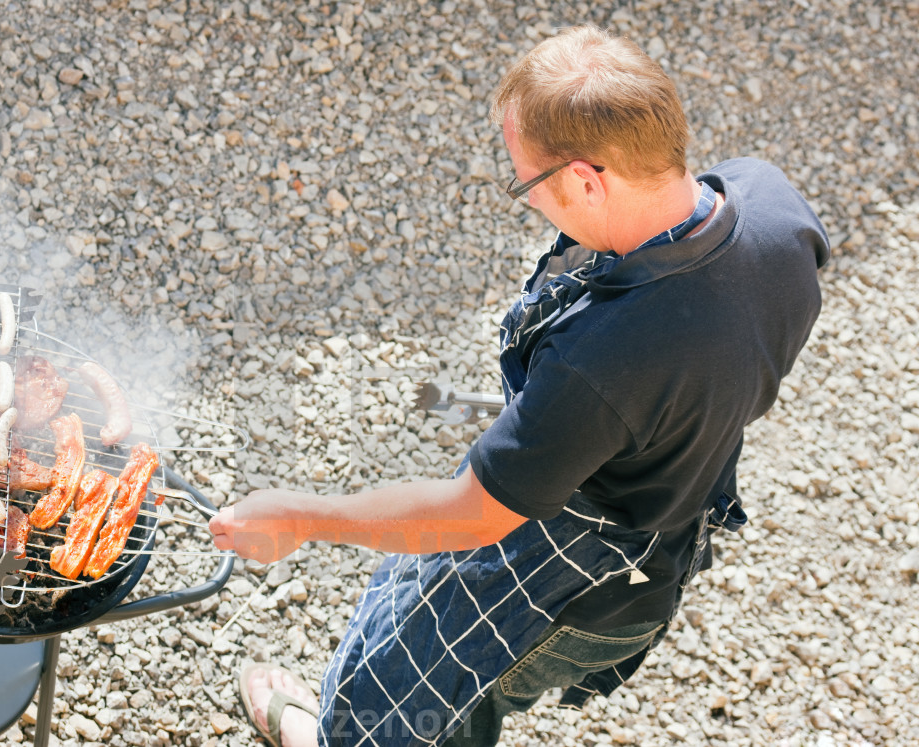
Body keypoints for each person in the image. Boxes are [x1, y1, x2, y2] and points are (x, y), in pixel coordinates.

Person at [210, 24, 829, 747]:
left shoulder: (602, 362)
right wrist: (588, 429)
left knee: (389, 701)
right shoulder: (770, 201)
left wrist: (299, 517)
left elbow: (470, 515)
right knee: (452, 700)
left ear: (586, 180)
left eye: (528, 185)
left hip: (574, 580)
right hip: (662, 513)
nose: (531, 203)